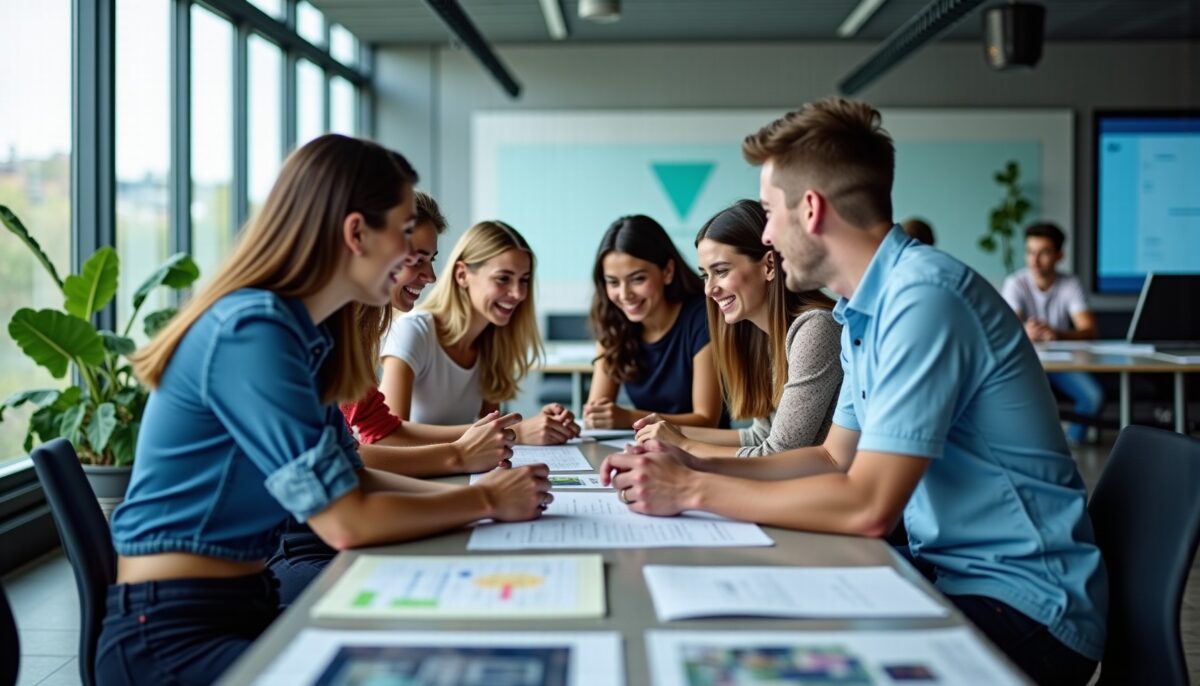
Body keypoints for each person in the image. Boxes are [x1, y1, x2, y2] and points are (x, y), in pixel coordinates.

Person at [602, 99, 1106, 685]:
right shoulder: (861, 311)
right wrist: (693, 461)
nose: (766, 235)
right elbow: (828, 458)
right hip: (948, 573)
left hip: (1026, 605)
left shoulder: (923, 299)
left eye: (770, 213)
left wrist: (692, 487)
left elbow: (868, 506)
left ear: (810, 209)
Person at [96, 135, 552, 686]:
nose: (416, 263)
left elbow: (354, 475)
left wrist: (484, 499)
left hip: (243, 604)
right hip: (171, 635)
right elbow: (345, 521)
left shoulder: (305, 336)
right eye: (405, 233)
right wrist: (483, 499)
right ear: (357, 233)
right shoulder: (252, 331)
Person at [633, 199, 843, 457]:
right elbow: (759, 436)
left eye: (721, 271)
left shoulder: (816, 329)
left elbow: (777, 455)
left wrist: (684, 444)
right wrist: (672, 431)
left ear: (768, 265)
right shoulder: (765, 336)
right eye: (705, 275)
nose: (709, 289)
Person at [379, 220, 579, 444]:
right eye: (503, 278)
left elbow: (487, 435)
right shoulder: (413, 330)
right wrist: (515, 432)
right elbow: (389, 436)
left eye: (524, 280)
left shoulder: (494, 342)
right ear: (462, 274)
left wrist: (544, 426)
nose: (518, 293)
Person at [584, 214, 723, 430]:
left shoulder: (703, 318)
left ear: (667, 272)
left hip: (704, 447)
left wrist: (629, 418)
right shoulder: (614, 322)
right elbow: (597, 411)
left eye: (638, 279)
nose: (625, 294)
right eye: (613, 282)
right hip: (646, 446)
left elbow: (707, 420)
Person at [1002, 221, 1103, 444]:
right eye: (1030, 252)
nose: (1034, 260)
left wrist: (1057, 334)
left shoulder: (1070, 284)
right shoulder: (1015, 283)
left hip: (1062, 363)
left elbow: (1089, 331)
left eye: (1044, 253)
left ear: (1059, 255)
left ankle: (1070, 444)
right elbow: (1007, 330)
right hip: (1026, 361)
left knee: (1093, 397)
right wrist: (1025, 332)